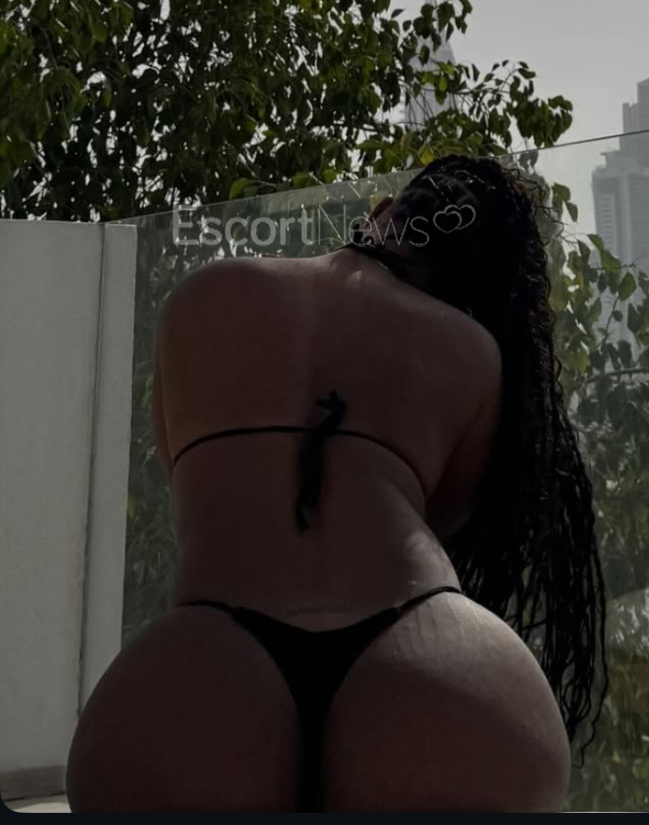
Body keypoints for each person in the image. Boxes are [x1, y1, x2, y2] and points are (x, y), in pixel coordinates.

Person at [66, 154, 607, 812]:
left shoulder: (202, 294)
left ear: (379, 212)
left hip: (214, 639)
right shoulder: (472, 349)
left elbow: (185, 483)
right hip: (433, 652)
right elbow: (442, 518)